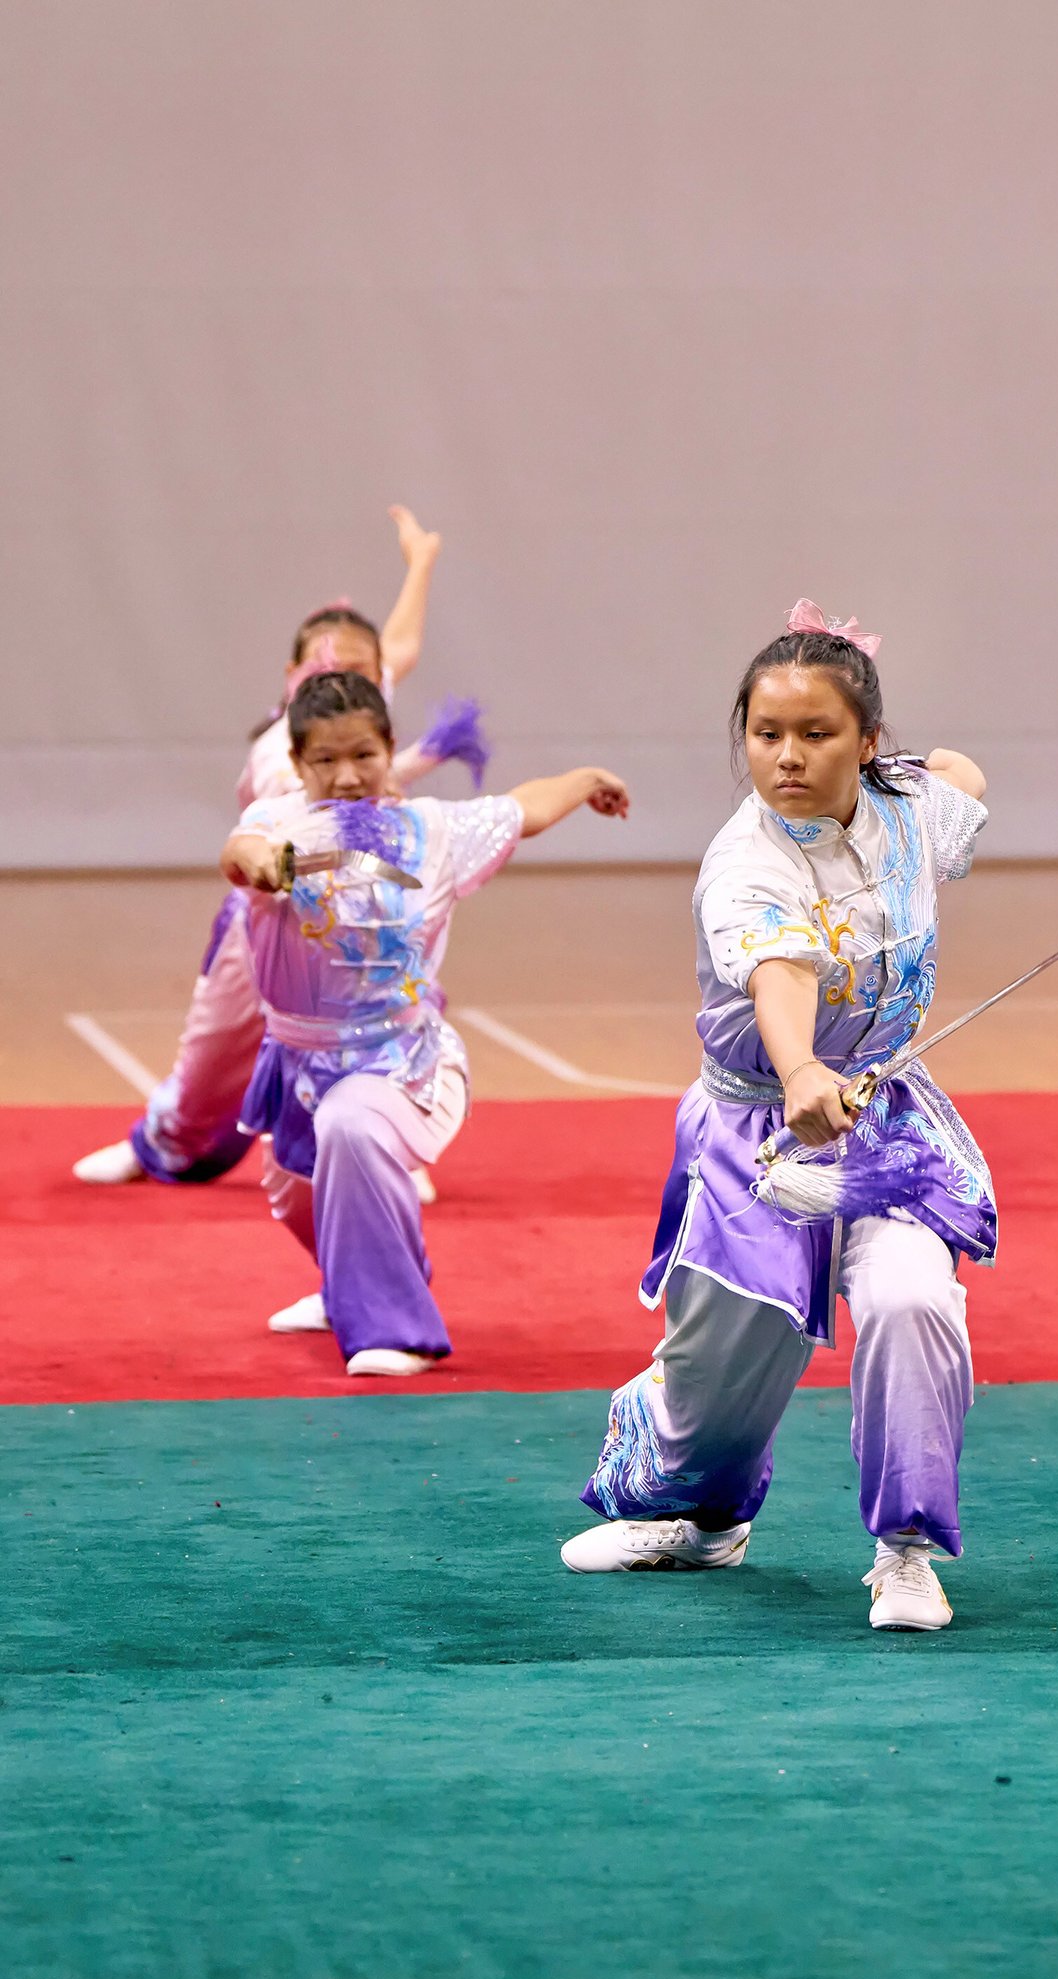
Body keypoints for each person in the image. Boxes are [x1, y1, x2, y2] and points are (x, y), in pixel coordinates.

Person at [560, 599, 995, 1631]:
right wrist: (799, 1069)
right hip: (760, 1126)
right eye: (765, 734)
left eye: (816, 733)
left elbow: (962, 783)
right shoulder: (744, 860)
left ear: (867, 741)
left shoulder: (906, 806)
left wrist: (932, 775)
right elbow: (780, 970)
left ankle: (904, 1551)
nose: (786, 758)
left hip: (883, 1123)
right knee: (722, 1372)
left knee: (910, 1301)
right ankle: (696, 1516)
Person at [222, 668, 629, 1377]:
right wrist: (267, 866)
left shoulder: (432, 829)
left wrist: (584, 777)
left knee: (351, 1128)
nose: (347, 776)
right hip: (295, 1062)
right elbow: (239, 854)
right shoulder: (276, 822)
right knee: (296, 1200)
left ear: (389, 749)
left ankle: (394, 1329)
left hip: (396, 1059)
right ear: (297, 763)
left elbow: (521, 809)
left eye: (363, 756)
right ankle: (355, 1275)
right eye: (325, 759)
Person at [71, 506, 471, 1201]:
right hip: (271, 917)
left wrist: (421, 563)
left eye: (361, 669)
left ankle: (391, 1151)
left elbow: (399, 644)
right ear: (293, 675)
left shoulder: (364, 699)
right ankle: (166, 1138)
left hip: (365, 912)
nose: (343, 676)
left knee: (385, 1028)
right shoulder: (283, 748)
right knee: (210, 1058)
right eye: (326, 667)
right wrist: (415, 760)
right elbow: (330, 806)